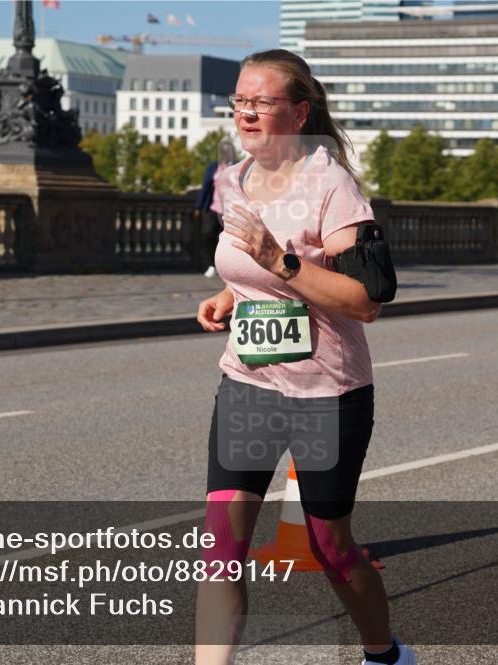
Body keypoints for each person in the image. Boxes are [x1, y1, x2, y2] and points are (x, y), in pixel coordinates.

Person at [194, 49, 414, 665]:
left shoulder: (330, 185)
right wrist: (231, 296)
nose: (246, 113)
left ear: (298, 112)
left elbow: (367, 301)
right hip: (248, 385)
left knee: (330, 548)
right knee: (220, 548)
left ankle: (384, 654)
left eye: (261, 103)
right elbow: (249, 270)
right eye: (240, 101)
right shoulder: (232, 180)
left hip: (327, 394)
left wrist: (280, 262)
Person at [195, 139, 237, 278]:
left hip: (230, 211)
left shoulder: (237, 167)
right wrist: (199, 206)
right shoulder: (214, 167)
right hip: (213, 208)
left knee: (226, 240)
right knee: (207, 234)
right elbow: (205, 187)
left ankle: (224, 267)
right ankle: (211, 265)